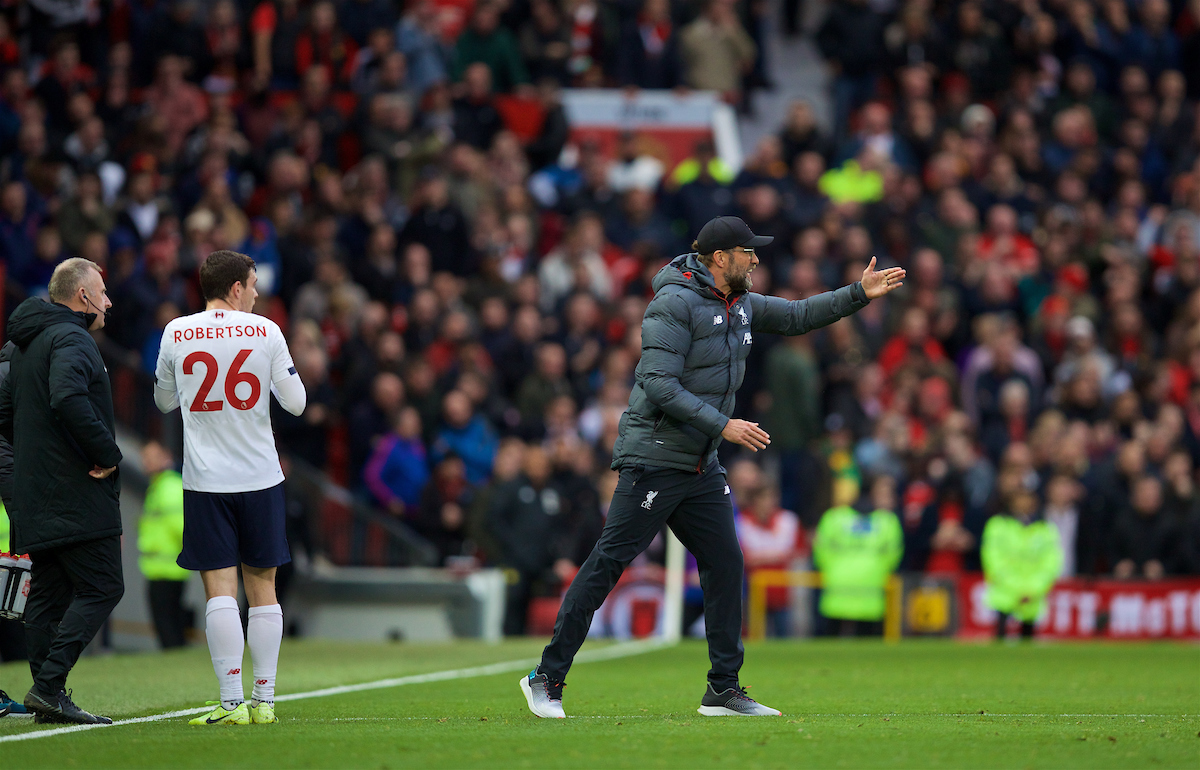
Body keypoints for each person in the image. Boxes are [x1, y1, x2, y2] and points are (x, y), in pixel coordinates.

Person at [520, 215, 905, 718]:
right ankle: (544, 678)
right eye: (749, 252)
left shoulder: (739, 301)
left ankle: (723, 690)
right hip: (656, 458)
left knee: (725, 564)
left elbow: (795, 316)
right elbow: (658, 382)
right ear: (721, 258)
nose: (757, 259)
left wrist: (858, 292)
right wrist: (723, 425)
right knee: (607, 564)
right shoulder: (673, 302)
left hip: (700, 464)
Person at [154, 250, 307, 726]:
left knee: (220, 592)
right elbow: (297, 404)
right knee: (264, 590)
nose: (258, 293)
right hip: (261, 478)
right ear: (236, 287)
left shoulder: (177, 332)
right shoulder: (267, 331)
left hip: (205, 481)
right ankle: (264, 701)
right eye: (254, 284)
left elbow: (161, 402)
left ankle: (229, 703)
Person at [0, 258, 124, 725]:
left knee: (46, 598)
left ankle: (48, 697)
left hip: (35, 494)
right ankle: (49, 686)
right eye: (103, 292)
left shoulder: (21, 344)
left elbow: (4, 417)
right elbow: (68, 397)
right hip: (74, 491)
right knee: (104, 586)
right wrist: (107, 453)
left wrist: (36, 458)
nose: (108, 301)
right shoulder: (71, 337)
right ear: (83, 297)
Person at [811, 475, 903, 636]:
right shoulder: (888, 521)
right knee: (869, 652)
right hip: (872, 596)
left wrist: (834, 571)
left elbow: (820, 553)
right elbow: (893, 557)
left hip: (836, 593)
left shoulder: (833, 517)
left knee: (828, 650)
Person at [980, 488, 1063, 640]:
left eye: (1027, 498)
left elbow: (1051, 562)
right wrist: (1017, 587)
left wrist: (1034, 587)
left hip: (1033, 594)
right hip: (1005, 592)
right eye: (1020, 498)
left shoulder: (1044, 528)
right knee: (1000, 636)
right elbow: (993, 559)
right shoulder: (999, 525)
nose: (1024, 502)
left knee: (1028, 639)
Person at [138, 440, 191, 650]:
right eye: (145, 458)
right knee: (171, 621)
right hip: (165, 567)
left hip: (166, 567)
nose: (147, 463)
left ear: (165, 457)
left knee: (167, 624)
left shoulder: (167, 487)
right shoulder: (161, 485)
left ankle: (174, 659)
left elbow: (180, 526)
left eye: (152, 457)